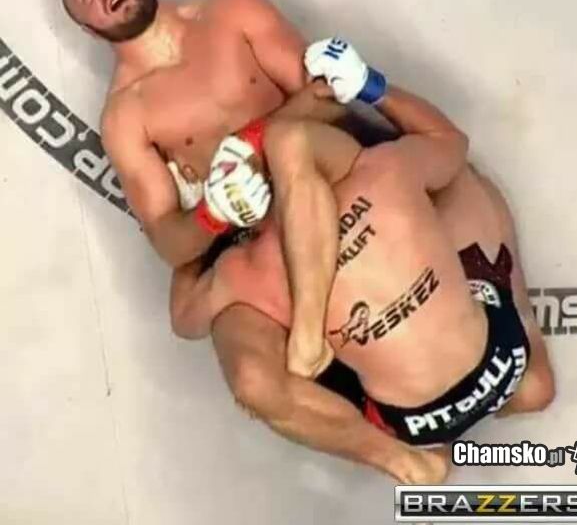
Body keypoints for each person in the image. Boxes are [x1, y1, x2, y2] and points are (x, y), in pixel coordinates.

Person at [60, 0, 422, 479]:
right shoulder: (125, 116)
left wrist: (247, 145)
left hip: (326, 173)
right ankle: (405, 463)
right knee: (253, 380)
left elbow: (328, 95)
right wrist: (212, 212)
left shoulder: (232, 8)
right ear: (89, 30)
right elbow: (168, 241)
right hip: (251, 233)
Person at [169, 39, 555, 483]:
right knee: (463, 183)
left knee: (250, 366)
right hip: (502, 358)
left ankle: (403, 459)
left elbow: (185, 318)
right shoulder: (388, 170)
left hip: (413, 423)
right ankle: (531, 363)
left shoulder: (249, 271)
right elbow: (451, 143)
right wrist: (373, 88)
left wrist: (208, 216)